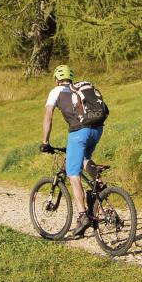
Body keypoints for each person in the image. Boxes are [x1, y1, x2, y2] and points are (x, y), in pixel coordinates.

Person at [41, 64, 103, 238]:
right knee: (83, 159)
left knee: (72, 172)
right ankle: (100, 184)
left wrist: (45, 142)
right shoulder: (78, 90)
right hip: (97, 129)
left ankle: (83, 215)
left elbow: (48, 116)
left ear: (56, 80)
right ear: (71, 79)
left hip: (79, 132)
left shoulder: (55, 91)